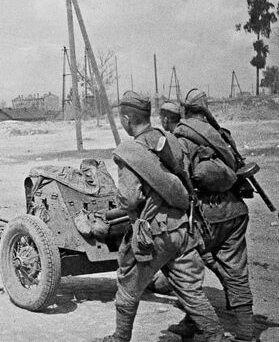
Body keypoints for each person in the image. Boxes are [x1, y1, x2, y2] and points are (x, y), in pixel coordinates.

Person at [94, 91, 225, 342]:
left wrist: (124, 204)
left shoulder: (130, 151)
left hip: (153, 235)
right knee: (191, 291)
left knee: (127, 288)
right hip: (182, 229)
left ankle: (119, 338)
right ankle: (216, 336)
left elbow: (130, 199)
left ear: (126, 118)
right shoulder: (168, 140)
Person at [169, 89, 254, 342]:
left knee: (184, 268)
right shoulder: (222, 136)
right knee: (236, 269)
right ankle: (246, 332)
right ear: (206, 109)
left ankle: (196, 322)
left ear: (186, 109)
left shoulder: (181, 137)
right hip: (235, 212)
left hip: (203, 215)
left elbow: (177, 180)